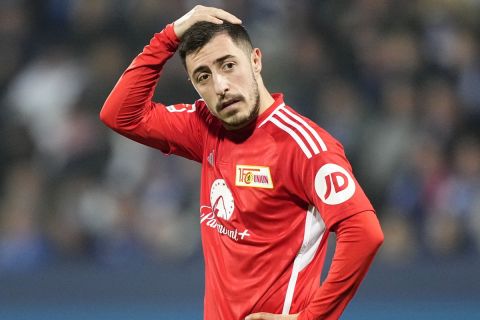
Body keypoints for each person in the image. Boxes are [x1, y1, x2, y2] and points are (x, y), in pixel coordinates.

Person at [100, 6, 384, 320]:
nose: (220, 86)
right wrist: (169, 36)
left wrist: (312, 318)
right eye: (203, 76)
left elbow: (364, 232)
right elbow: (120, 115)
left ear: (256, 61)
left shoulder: (304, 146)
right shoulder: (205, 127)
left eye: (228, 65)